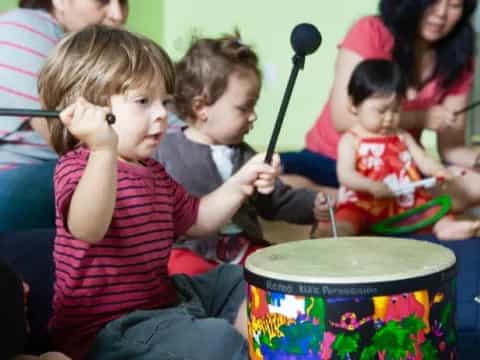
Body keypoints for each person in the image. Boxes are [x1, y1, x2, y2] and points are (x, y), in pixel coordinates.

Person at [38, 25, 280, 359]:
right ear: (89, 109)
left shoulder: (152, 171)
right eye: (143, 101)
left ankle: (243, 345)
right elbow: (87, 228)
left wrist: (242, 181)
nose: (163, 113)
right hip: (108, 327)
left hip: (163, 301)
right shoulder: (79, 166)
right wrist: (103, 150)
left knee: (246, 280)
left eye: (164, 101)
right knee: (215, 340)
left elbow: (197, 219)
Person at [155, 31, 331, 276]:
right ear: (201, 107)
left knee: (282, 270)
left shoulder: (244, 155)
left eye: (254, 106)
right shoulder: (165, 151)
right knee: (180, 269)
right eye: (243, 108)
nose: (253, 116)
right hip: (191, 251)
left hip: (244, 251)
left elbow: (274, 202)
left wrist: (312, 205)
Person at [281, 0, 480, 213]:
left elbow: (451, 149)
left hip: (396, 170)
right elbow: (342, 118)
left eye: (455, 5)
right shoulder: (371, 31)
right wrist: (422, 118)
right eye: (433, 1)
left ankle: (360, 204)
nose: (441, 13)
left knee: (473, 184)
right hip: (331, 159)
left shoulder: (459, 56)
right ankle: (360, 201)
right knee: (268, 179)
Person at [314, 59, 480, 240]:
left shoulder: (402, 136)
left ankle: (449, 228)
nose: (389, 118)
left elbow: (423, 160)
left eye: (395, 111)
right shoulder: (351, 140)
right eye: (381, 111)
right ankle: (337, 232)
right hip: (363, 202)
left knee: (434, 211)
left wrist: (439, 170)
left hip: (403, 202)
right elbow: (345, 174)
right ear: (354, 104)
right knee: (347, 220)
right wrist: (371, 186)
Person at [0, 0, 128, 232]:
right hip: (25, 171)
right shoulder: (24, 27)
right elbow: (65, 138)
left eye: (123, 3)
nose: (118, 15)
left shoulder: (78, 46)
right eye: (103, 2)